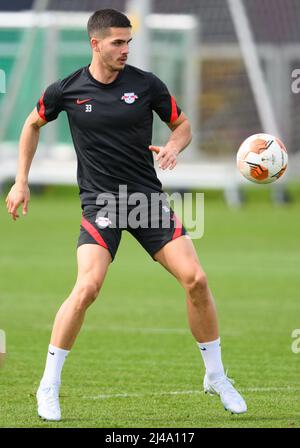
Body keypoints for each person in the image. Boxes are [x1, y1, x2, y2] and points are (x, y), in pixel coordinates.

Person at [5, 9, 247, 421]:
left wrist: (173, 146)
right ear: (95, 44)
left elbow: (182, 124)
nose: (125, 49)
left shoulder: (146, 84)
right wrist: (20, 180)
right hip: (101, 204)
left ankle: (216, 376)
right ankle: (48, 384)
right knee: (87, 289)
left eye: (129, 42)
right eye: (118, 42)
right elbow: (31, 124)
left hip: (147, 202)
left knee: (197, 280)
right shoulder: (67, 89)